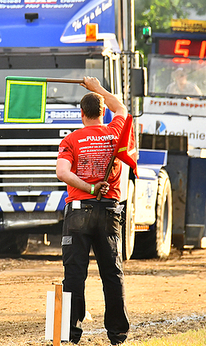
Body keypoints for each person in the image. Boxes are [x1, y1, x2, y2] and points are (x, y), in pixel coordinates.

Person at [56, 76, 129, 345]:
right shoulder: (116, 132)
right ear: (102, 112)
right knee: (112, 272)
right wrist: (97, 88)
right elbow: (121, 108)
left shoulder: (72, 139)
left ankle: (70, 333)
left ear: (81, 113)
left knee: (74, 273)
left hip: (78, 211)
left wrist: (87, 187)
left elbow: (62, 172)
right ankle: (117, 333)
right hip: (110, 211)